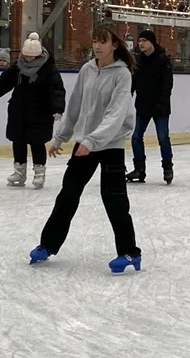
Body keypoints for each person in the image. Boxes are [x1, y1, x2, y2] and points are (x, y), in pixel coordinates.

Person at [29, 25, 141, 273]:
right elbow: (76, 106)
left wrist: (93, 141)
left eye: (104, 41)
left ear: (115, 45)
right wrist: (61, 137)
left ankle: (130, 252)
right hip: (84, 143)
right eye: (95, 41)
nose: (98, 46)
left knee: (114, 200)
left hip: (109, 144)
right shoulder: (87, 70)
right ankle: (47, 245)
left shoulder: (122, 75)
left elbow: (116, 113)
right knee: (67, 195)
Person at [0, 33, 66, 189]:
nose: (27, 59)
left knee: (37, 142)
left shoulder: (48, 69)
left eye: (31, 57)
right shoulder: (17, 66)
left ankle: (39, 172)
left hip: (40, 111)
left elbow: (56, 90)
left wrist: (57, 109)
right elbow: (3, 82)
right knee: (18, 140)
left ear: (38, 55)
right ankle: (19, 172)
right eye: (25, 56)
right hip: (19, 110)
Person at [127, 29, 174, 185]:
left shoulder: (163, 60)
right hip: (143, 105)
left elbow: (167, 84)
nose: (140, 44)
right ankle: (139, 169)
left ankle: (167, 167)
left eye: (144, 41)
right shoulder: (138, 60)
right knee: (136, 137)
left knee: (163, 139)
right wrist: (128, 96)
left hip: (160, 107)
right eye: (139, 41)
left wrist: (162, 103)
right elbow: (133, 82)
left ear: (151, 42)